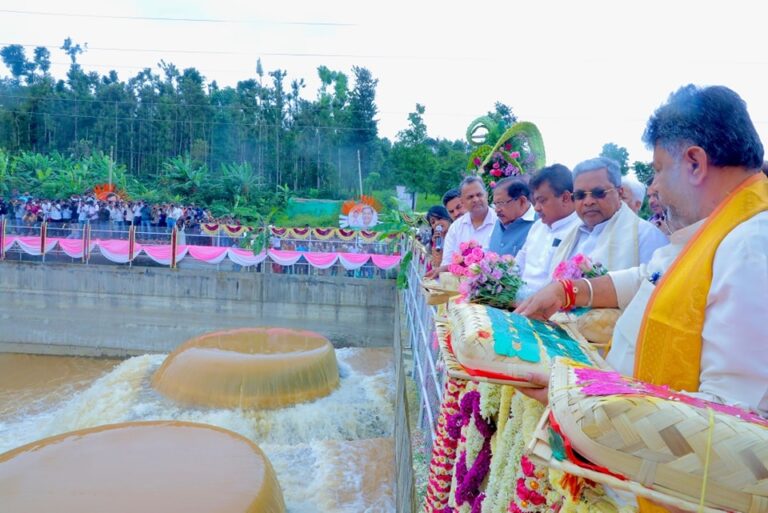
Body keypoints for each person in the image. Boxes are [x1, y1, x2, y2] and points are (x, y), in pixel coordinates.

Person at [516, 83, 768, 469]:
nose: (654, 187)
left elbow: (729, 425)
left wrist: (577, 397)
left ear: (695, 163)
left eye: (658, 171)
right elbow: (648, 277)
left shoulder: (751, 246)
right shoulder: (719, 230)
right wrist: (568, 291)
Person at [550, 157, 668, 271]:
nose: (588, 202)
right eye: (580, 195)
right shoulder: (570, 236)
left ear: (619, 193)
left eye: (598, 193)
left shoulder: (646, 236)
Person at [515, 164, 582, 293]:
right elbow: (519, 264)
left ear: (565, 198)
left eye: (542, 201)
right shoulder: (537, 226)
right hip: (517, 303)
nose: (536, 208)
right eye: (535, 202)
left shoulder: (581, 229)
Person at [487, 177, 536, 256]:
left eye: (501, 203)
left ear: (522, 201)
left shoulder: (540, 225)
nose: (497, 210)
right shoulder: (497, 223)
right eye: (495, 204)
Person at [425, 205, 452, 272]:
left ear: (448, 217)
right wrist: (435, 245)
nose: (437, 223)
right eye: (433, 222)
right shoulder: (432, 244)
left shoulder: (458, 235)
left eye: (439, 218)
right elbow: (437, 265)